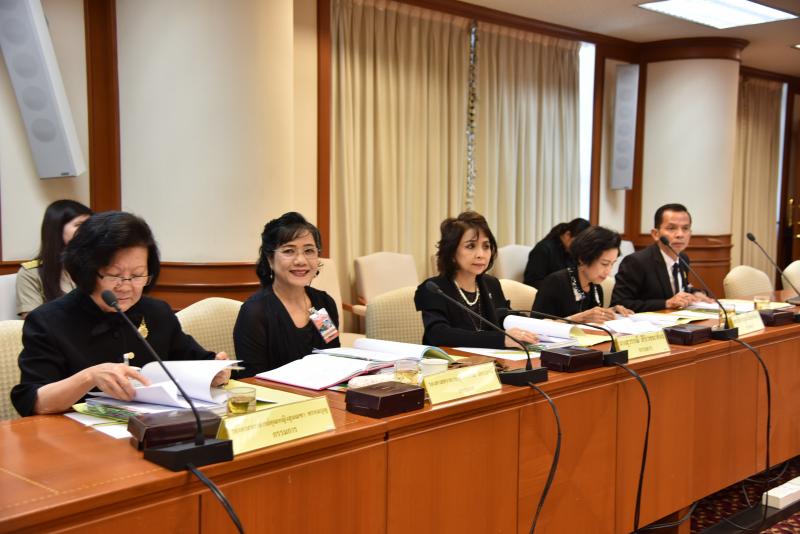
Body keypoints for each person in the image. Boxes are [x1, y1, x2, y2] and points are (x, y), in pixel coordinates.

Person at [11, 211, 230, 417]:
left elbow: (195, 360)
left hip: (155, 428)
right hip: (78, 435)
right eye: (114, 275)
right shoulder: (48, 321)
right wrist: (89, 377)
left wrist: (214, 372)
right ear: (86, 272)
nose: (125, 287)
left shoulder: (157, 312)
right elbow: (34, 402)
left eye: (137, 275)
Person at [233, 212, 340, 377]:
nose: (301, 261)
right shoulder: (255, 313)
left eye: (309, 251)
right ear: (270, 259)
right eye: (289, 251)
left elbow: (333, 358)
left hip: (324, 391)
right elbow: (252, 380)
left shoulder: (322, 304)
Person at [414, 211, 539, 349]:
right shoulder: (434, 289)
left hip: (492, 360)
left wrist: (543, 325)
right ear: (452, 252)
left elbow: (505, 317)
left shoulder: (491, 284)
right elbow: (439, 334)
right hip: (449, 361)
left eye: (486, 246)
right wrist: (500, 339)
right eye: (470, 246)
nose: (481, 255)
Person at [611, 203, 713, 312]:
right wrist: (666, 303)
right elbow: (620, 303)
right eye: (671, 228)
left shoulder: (683, 258)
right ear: (655, 234)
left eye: (685, 228)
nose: (680, 234)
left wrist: (695, 293)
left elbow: (679, 288)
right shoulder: (636, 262)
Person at [532, 226, 633, 322]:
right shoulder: (555, 283)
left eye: (612, 264)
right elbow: (537, 325)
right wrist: (579, 319)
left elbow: (592, 320)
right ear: (583, 258)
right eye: (604, 264)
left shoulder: (596, 288)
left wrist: (610, 312)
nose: (608, 271)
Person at [16, 199, 93, 318]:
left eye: (89, 225)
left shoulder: (95, 266)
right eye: (79, 225)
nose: (87, 231)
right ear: (57, 229)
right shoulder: (31, 273)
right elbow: (34, 321)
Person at [523, 217, 590, 289]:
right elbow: (531, 283)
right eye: (579, 243)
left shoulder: (571, 253)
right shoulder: (543, 249)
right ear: (567, 235)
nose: (581, 248)